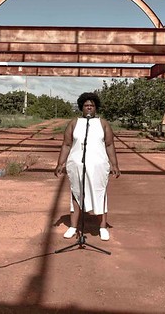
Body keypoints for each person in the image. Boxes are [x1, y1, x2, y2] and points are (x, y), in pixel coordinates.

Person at [54, 92, 121, 241]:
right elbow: (66, 144)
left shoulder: (103, 123)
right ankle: (73, 227)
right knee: (76, 193)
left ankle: (102, 227)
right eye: (86, 105)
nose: (89, 107)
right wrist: (60, 163)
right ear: (81, 107)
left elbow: (109, 144)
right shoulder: (74, 123)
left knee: (100, 193)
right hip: (77, 165)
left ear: (96, 107)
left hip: (98, 166)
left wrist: (114, 164)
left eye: (92, 105)